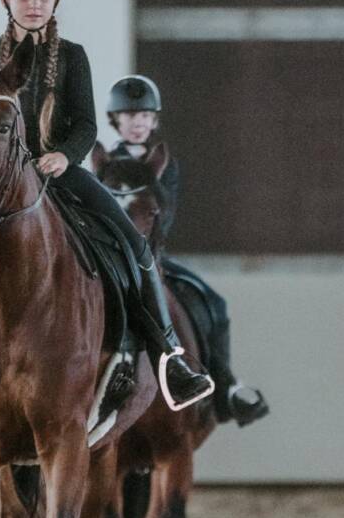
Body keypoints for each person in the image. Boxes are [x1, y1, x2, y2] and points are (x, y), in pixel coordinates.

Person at [0, 0, 213, 411]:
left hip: (59, 174)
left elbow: (87, 124)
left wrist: (64, 156)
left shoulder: (72, 56)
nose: (34, 4)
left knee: (133, 246)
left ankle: (170, 358)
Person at [100, 74, 269, 426]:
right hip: (114, 259)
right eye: (130, 115)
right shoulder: (104, 163)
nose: (138, 123)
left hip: (154, 256)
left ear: (154, 120)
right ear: (116, 120)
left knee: (214, 303)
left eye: (145, 116)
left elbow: (167, 213)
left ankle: (225, 387)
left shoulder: (166, 164)